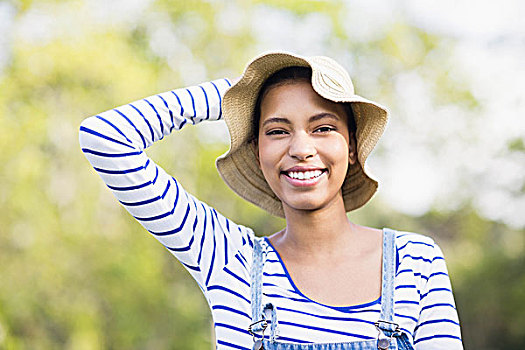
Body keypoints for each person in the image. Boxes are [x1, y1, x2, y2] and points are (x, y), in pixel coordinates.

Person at [79, 51, 463, 349]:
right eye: (278, 131)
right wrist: (238, 93)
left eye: (323, 128)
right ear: (257, 150)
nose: (300, 149)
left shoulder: (414, 261)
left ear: (351, 146)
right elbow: (104, 138)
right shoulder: (229, 260)